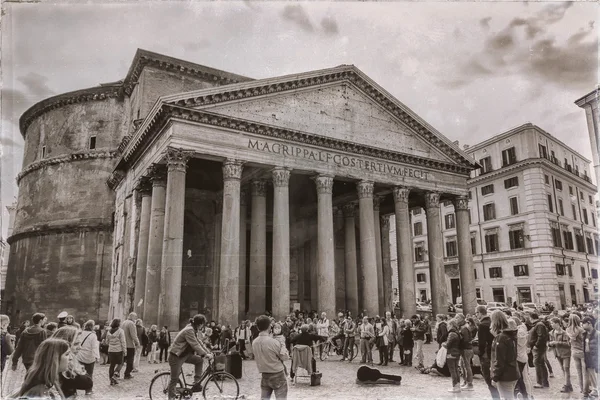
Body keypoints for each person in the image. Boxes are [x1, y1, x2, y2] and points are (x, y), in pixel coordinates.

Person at [168, 314, 213, 400]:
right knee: (174, 379)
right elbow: (195, 344)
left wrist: (208, 352)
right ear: (199, 324)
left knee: (199, 360)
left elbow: (199, 342)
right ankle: (171, 398)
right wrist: (205, 354)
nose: (203, 326)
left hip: (184, 355)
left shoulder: (193, 329)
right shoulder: (189, 330)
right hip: (176, 356)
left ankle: (197, 383)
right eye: (203, 324)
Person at [252, 315, 289, 399]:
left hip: (264, 374)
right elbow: (284, 357)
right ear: (269, 326)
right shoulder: (273, 342)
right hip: (277, 373)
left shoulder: (254, 342)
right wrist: (284, 349)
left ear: (258, 327)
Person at [52, 326, 94, 398]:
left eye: (80, 344)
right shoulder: (60, 366)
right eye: (75, 344)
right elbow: (87, 382)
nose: (80, 347)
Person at [490, 311, 520, 400]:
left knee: (507, 398)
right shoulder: (510, 335)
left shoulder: (501, 338)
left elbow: (500, 360)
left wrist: (495, 377)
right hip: (512, 371)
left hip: (505, 375)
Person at [476, 305, 500, 400]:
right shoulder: (491, 322)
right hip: (494, 351)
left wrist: (480, 353)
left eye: (476, 313)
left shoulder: (482, 325)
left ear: (480, 313)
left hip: (486, 352)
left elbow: (482, 342)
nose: (476, 315)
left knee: (488, 377)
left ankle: (495, 397)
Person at [76, 320, 100, 395]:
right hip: (89, 357)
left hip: (80, 355)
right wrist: (97, 357)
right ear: (92, 327)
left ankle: (75, 389)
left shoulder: (80, 333)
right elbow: (94, 347)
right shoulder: (93, 335)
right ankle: (88, 390)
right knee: (89, 374)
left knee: (79, 373)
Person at [549, 317, 572, 393]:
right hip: (558, 353)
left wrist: (556, 342)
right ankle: (568, 385)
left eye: (552, 323)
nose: (551, 324)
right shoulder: (551, 333)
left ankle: (566, 385)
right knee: (563, 369)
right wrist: (550, 344)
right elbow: (550, 342)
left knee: (566, 368)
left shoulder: (564, 333)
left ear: (557, 324)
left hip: (565, 353)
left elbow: (568, 344)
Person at [528, 312, 550, 389]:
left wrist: (536, 345)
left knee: (538, 363)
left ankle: (540, 382)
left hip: (538, 348)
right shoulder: (538, 324)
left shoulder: (539, 325)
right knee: (540, 364)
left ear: (531, 317)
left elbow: (541, 336)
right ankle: (544, 382)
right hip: (538, 347)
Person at [566, 313, 586, 394]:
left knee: (579, 372)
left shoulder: (567, 330)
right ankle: (586, 388)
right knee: (585, 372)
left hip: (574, 351)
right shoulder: (581, 329)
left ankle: (581, 388)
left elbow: (568, 342)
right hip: (582, 351)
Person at [105, 318, 126, 386]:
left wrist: (111, 344)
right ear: (118, 324)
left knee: (112, 365)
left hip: (111, 350)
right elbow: (123, 341)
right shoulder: (120, 331)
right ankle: (115, 374)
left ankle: (112, 380)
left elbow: (106, 341)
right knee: (121, 363)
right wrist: (124, 350)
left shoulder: (108, 331)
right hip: (118, 350)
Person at [582, 316, 598, 399]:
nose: (582, 326)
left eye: (583, 324)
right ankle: (595, 389)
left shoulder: (597, 334)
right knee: (591, 375)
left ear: (589, 323)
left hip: (595, 359)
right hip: (587, 358)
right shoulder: (584, 334)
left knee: (596, 375)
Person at [444, 318, 462, 393]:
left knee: (452, 370)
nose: (447, 327)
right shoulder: (457, 332)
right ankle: (458, 385)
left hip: (451, 353)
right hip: (457, 353)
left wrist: (443, 344)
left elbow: (448, 345)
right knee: (456, 369)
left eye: (448, 325)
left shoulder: (451, 334)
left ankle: (455, 386)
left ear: (451, 325)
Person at [121, 312, 140, 380]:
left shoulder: (124, 322)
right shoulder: (131, 324)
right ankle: (127, 374)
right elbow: (134, 335)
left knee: (122, 360)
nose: (136, 318)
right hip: (130, 345)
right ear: (132, 317)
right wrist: (137, 343)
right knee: (130, 360)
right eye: (135, 317)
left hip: (123, 344)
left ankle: (116, 373)